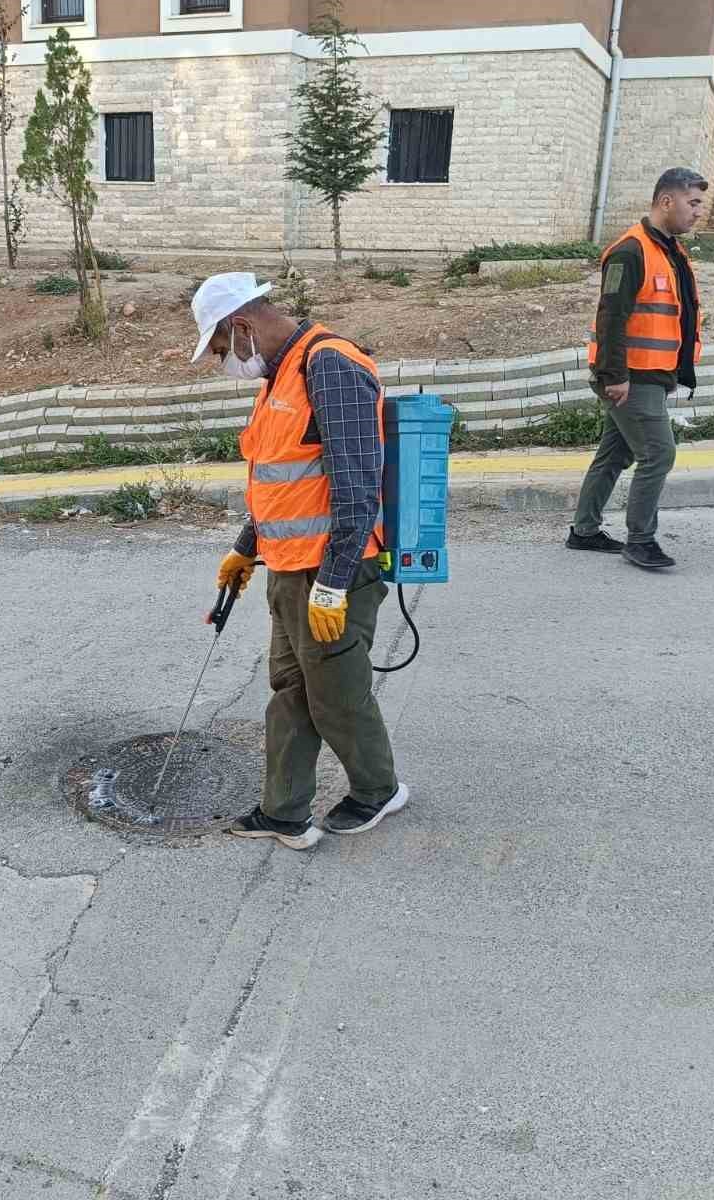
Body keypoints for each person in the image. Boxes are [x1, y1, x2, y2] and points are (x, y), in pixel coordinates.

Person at [189, 272, 408, 851]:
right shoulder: (280, 375)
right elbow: (282, 483)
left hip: (334, 570)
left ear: (240, 326)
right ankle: (283, 810)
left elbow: (356, 487)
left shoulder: (329, 365)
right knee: (291, 688)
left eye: (219, 351)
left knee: (336, 692)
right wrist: (246, 547)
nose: (223, 364)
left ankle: (378, 789)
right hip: (289, 568)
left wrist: (333, 585)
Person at [567, 166, 708, 570]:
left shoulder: (669, 250)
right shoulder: (631, 251)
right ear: (667, 201)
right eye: (692, 202)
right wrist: (615, 377)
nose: (698, 212)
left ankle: (584, 531)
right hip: (631, 376)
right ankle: (640, 540)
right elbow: (612, 317)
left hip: (651, 374)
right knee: (659, 454)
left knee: (614, 454)